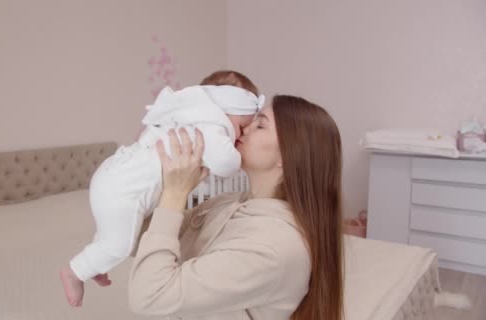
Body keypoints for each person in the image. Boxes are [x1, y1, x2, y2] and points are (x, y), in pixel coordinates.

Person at [128, 95, 345, 320]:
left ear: (288, 155)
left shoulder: (274, 248)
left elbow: (149, 295)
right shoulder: (229, 203)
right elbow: (147, 238)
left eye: (260, 125)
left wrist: (175, 193)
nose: (243, 128)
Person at [60, 71, 264, 307]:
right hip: (123, 188)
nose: (241, 134)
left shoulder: (192, 117)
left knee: (121, 234)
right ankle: (74, 271)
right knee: (118, 246)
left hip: (116, 176)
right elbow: (224, 162)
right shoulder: (211, 123)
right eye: (242, 127)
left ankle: (98, 261)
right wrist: (237, 157)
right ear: (228, 106)